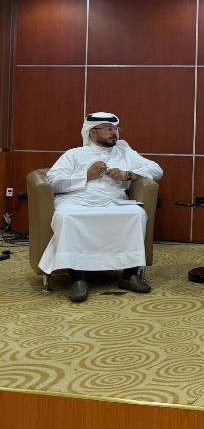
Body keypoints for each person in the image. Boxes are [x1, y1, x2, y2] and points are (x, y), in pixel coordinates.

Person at [39, 112, 164, 303]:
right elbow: (53, 181)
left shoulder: (124, 153)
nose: (115, 133)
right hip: (77, 202)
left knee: (137, 214)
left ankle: (129, 274)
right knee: (65, 216)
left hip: (113, 202)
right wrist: (86, 175)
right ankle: (77, 278)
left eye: (116, 128)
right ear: (92, 132)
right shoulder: (74, 154)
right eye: (108, 129)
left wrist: (128, 174)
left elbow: (156, 169)